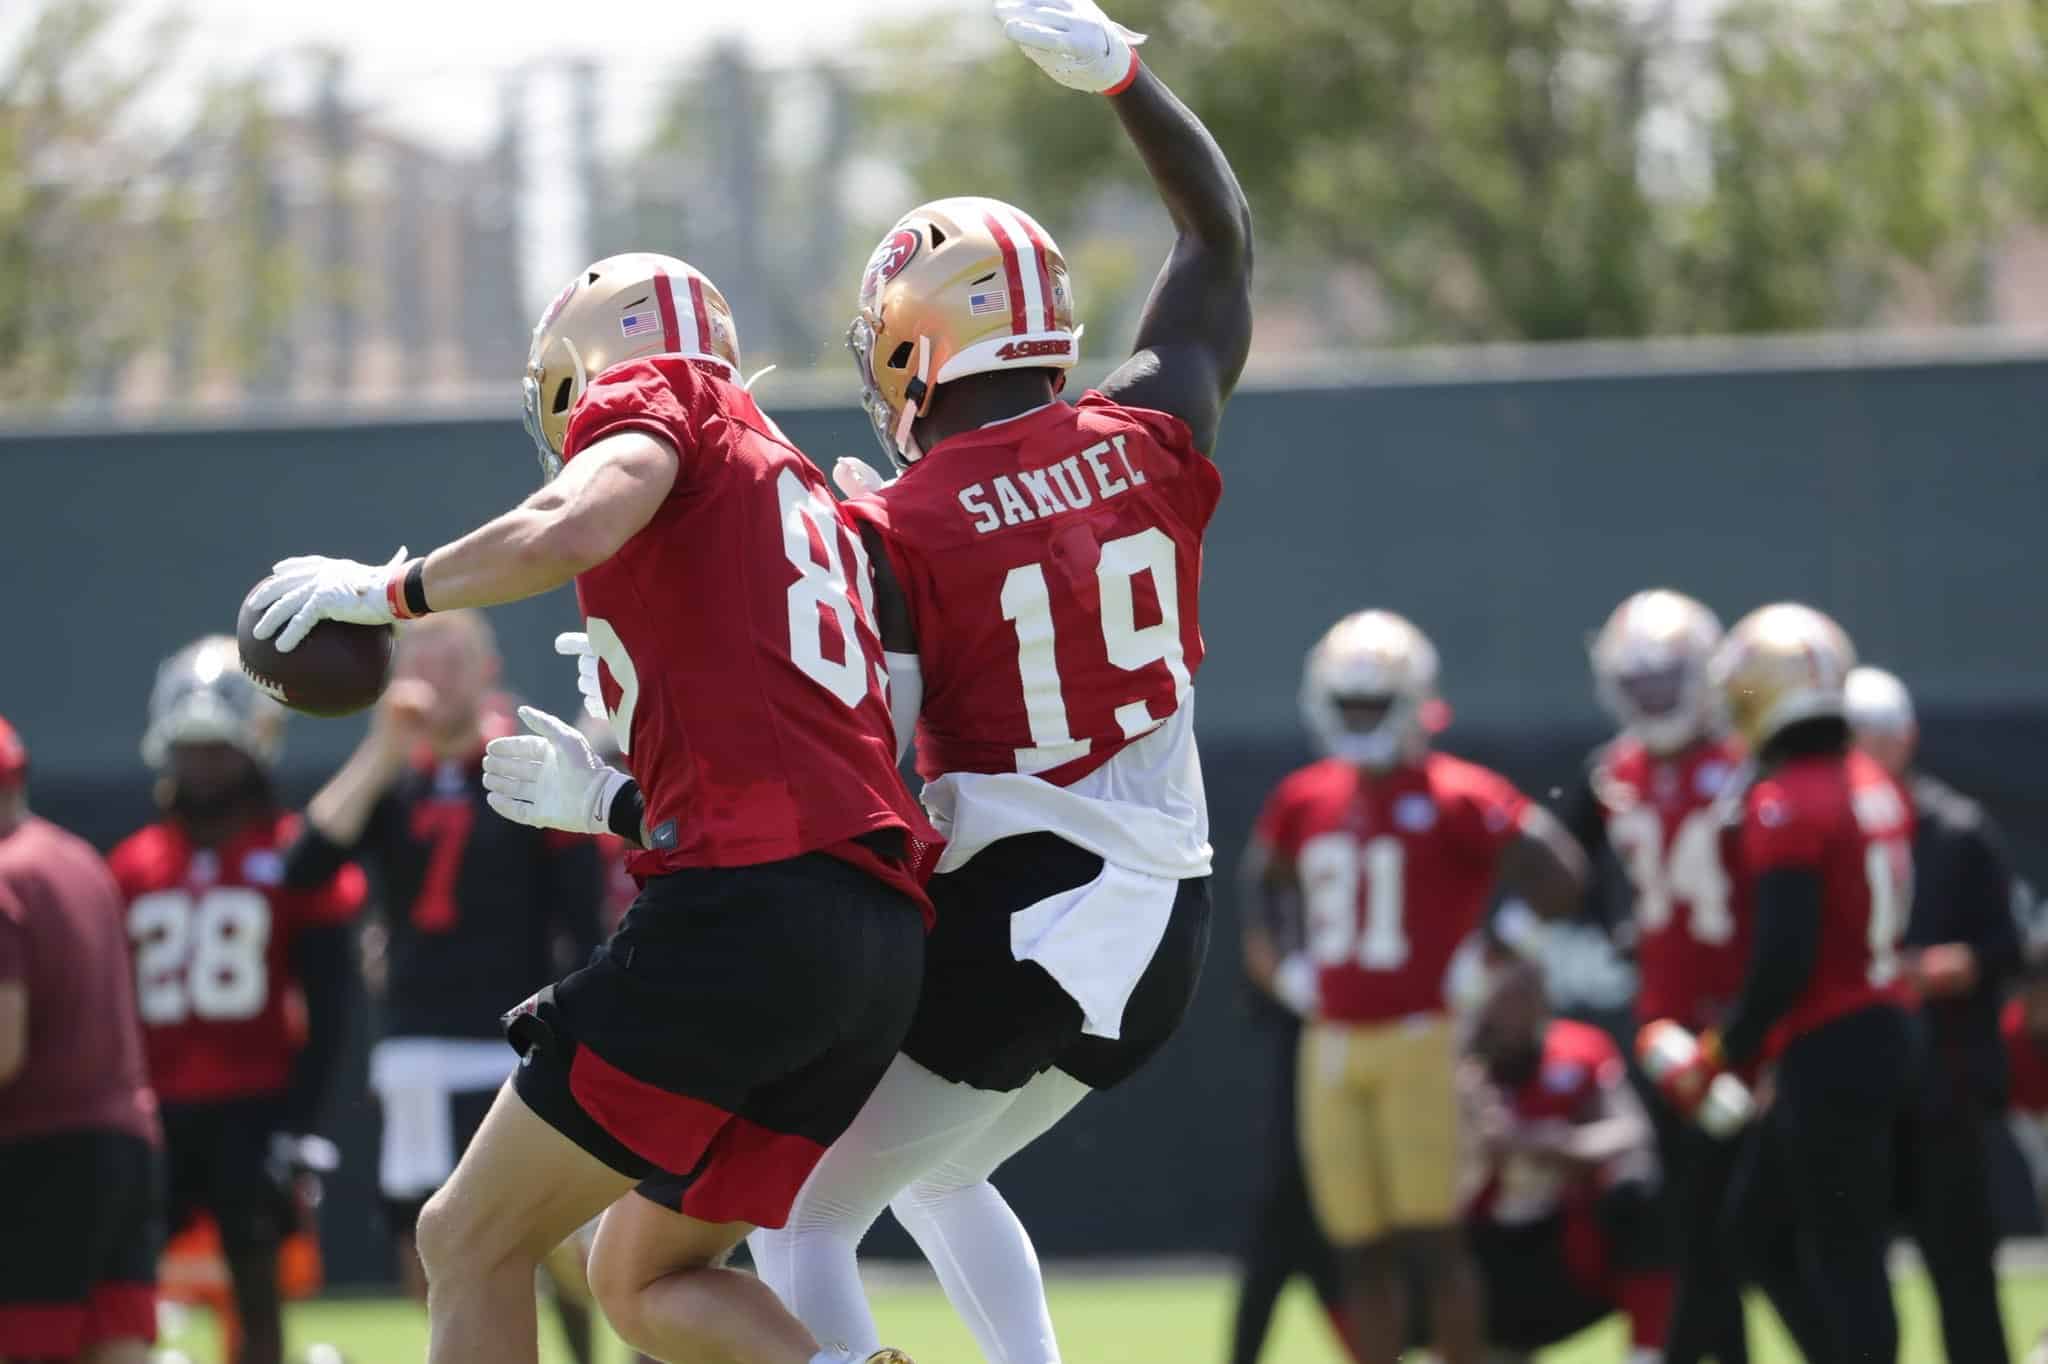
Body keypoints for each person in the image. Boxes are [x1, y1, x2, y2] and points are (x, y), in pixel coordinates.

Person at [491, 3, 1250, 1357]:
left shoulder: (896, 529)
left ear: (909, 348)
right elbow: (1217, 240)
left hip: (1026, 906)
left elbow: (857, 774)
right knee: (942, 1166)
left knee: (795, 1220)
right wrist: (1124, 75)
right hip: (1173, 916)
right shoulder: (1151, 426)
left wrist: (618, 789)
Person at [247, 249, 932, 1364]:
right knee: (640, 1272)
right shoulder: (786, 480)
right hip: (871, 941)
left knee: (466, 1237)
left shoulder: (660, 397)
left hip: (742, 920)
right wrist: (618, 802)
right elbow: (796, 755)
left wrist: (386, 590)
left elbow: (572, 524)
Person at [1253, 609, 1587, 1364]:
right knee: (1357, 1251)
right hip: (1331, 1041)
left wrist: (1493, 957)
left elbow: (1561, 874)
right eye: (1350, 704)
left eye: (1374, 703)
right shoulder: (1306, 796)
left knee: (1435, 1243)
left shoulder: (1460, 792)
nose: (1361, 719)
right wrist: (1285, 966)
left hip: (1423, 1037)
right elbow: (1264, 885)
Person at [283, 612, 605, 1358]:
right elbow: (303, 871)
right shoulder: (397, 776)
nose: (435, 676)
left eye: (452, 658)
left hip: (511, 1041)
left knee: (551, 1245)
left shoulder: (522, 767)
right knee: (426, 1255)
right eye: (421, 659)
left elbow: (581, 916)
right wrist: (382, 746)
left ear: (488, 668)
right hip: (416, 1042)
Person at [1662, 603, 1919, 1364]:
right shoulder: (1869, 780)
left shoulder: (1786, 802)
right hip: (1875, 1027)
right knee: (1758, 1229)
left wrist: (1721, 1051)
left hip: (1832, 1039)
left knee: (1844, 1251)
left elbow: (1784, 957)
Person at [107, 638, 363, 1364]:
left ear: (255, 747)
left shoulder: (289, 855)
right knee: (121, 1281)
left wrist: (302, 1120)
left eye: (217, 750)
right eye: (189, 749)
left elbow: (331, 1001)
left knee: (257, 1291)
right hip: (154, 1104)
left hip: (255, 1105)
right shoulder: (133, 864)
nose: (202, 766)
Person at [1564, 588, 1750, 1364]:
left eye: (1666, 681)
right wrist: (1614, 929)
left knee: (1753, 1229)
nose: (1653, 700)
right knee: (1691, 1228)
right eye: (1637, 685)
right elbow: (1564, 869)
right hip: (1663, 1034)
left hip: (1743, 1026)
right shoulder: (1615, 773)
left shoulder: (1744, 766)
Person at [1847, 664, 2018, 1363]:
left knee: (1964, 1273)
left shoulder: (1956, 829)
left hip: (1945, 1089)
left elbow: (2006, 946)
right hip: (1857, 1095)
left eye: (1877, 738)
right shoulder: (1826, 830)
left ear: (1907, 739)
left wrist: (1943, 968)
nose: (1866, 753)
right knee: (1847, 1272)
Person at [0, 714, 164, 1364]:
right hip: (126, 1148)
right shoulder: (75, 858)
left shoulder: (6, 875)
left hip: (40, 1154)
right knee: (115, 1344)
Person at [1460, 936, 1671, 1364]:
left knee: (1641, 1193)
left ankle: (1645, 1355)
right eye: (1505, 997)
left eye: (1527, 996)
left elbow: (1631, 1129)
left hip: (1567, 1253)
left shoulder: (1578, 1050)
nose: (1515, 1013)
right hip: (1485, 1262)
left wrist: (1555, 1143)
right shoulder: (1456, 1067)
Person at [1234, 848, 1360, 1364]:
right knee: (1274, 1259)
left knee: (1368, 1265)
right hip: (1298, 1166)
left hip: (1355, 1157)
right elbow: (1260, 882)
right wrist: (1293, 981)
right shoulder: (1294, 968)